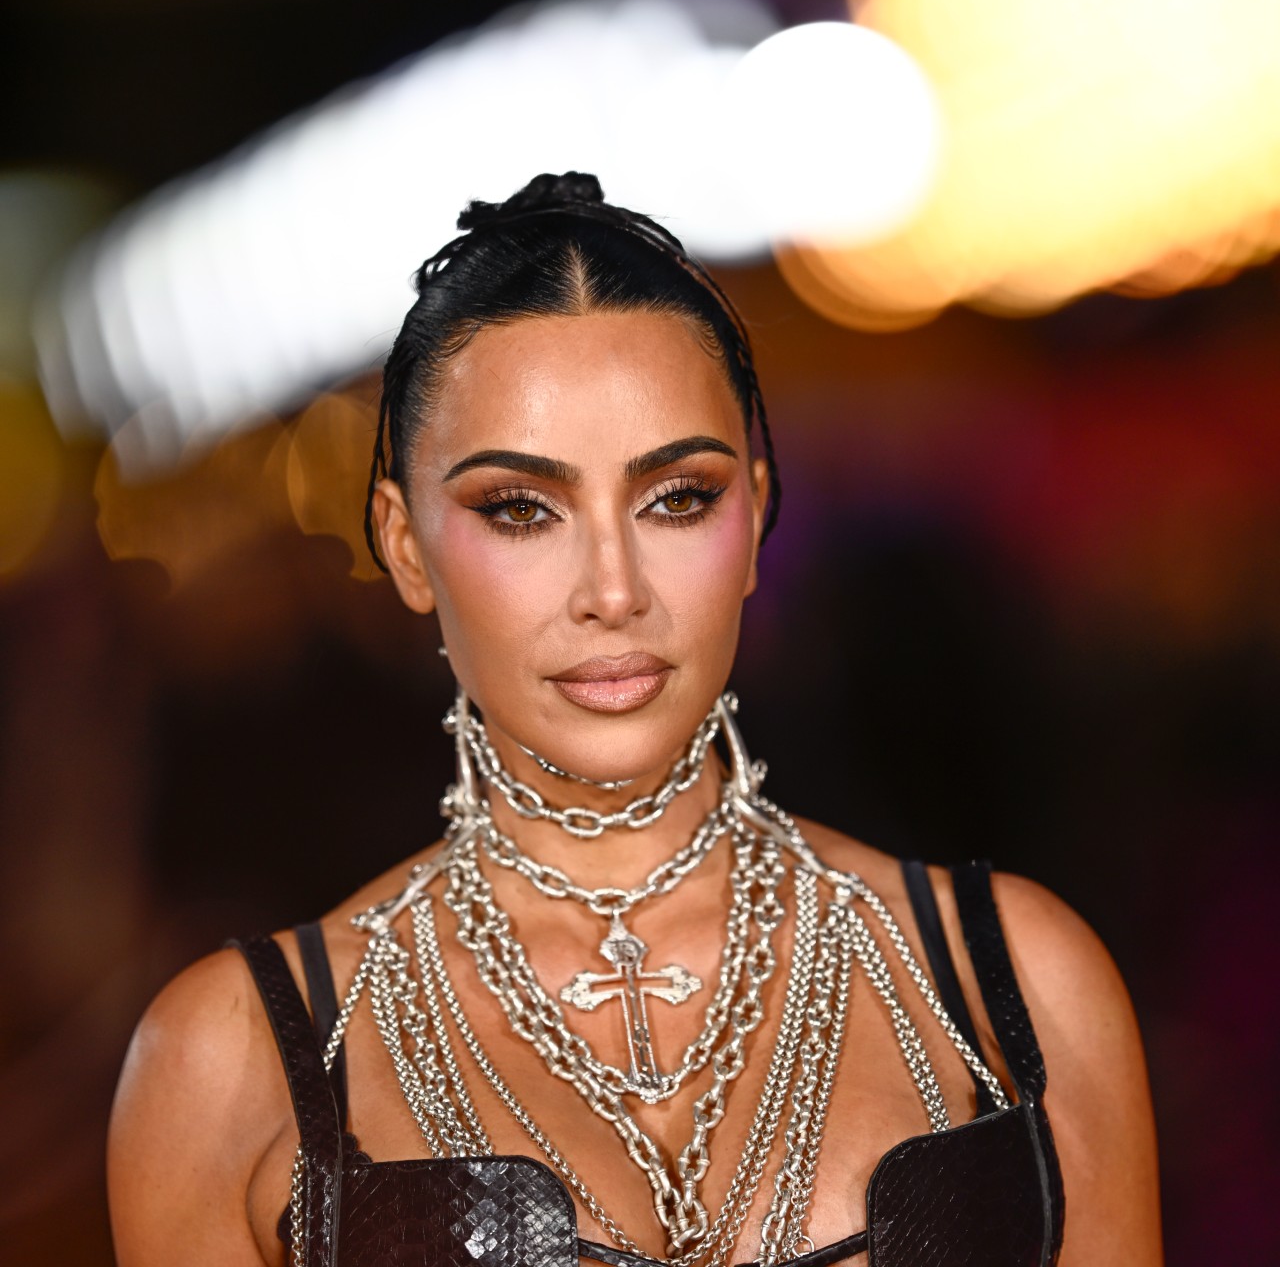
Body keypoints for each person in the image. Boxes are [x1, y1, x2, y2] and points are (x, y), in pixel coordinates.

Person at [107, 172, 1163, 1266]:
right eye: (520, 508)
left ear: (754, 514)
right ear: (405, 543)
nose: (612, 588)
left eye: (677, 497)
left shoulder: (1022, 985)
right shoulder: (226, 1061)